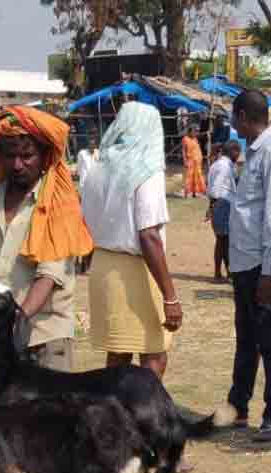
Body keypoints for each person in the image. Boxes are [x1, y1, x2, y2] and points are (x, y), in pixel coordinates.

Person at [0, 106, 93, 371]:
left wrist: (16, 320)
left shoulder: (59, 206)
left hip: (43, 338)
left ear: (44, 156)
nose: (17, 165)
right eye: (10, 156)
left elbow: (48, 277)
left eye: (27, 155)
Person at [80, 102, 181, 379]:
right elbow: (148, 234)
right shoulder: (146, 170)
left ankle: (115, 418)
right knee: (154, 353)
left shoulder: (97, 168)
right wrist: (170, 297)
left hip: (103, 266)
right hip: (136, 269)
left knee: (117, 353)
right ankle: (145, 419)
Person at [220, 89, 271, 443]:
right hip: (243, 260)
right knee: (246, 337)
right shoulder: (254, 152)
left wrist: (269, 271)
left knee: (269, 340)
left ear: (243, 117)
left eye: (233, 118)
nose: (232, 125)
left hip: (259, 264)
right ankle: (238, 404)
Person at [207, 139, 240, 282]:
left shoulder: (220, 164)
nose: (239, 155)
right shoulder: (224, 166)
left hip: (220, 204)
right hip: (223, 204)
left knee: (224, 240)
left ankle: (227, 272)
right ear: (233, 151)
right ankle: (220, 273)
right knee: (223, 240)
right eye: (238, 152)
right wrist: (214, 205)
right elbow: (216, 188)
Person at [182, 125, 207, 198]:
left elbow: (197, 149)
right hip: (190, 160)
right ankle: (186, 193)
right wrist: (185, 160)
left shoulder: (195, 139)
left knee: (198, 176)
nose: (196, 132)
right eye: (194, 131)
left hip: (197, 161)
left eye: (197, 131)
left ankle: (195, 192)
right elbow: (183, 150)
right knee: (189, 177)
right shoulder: (185, 139)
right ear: (190, 131)